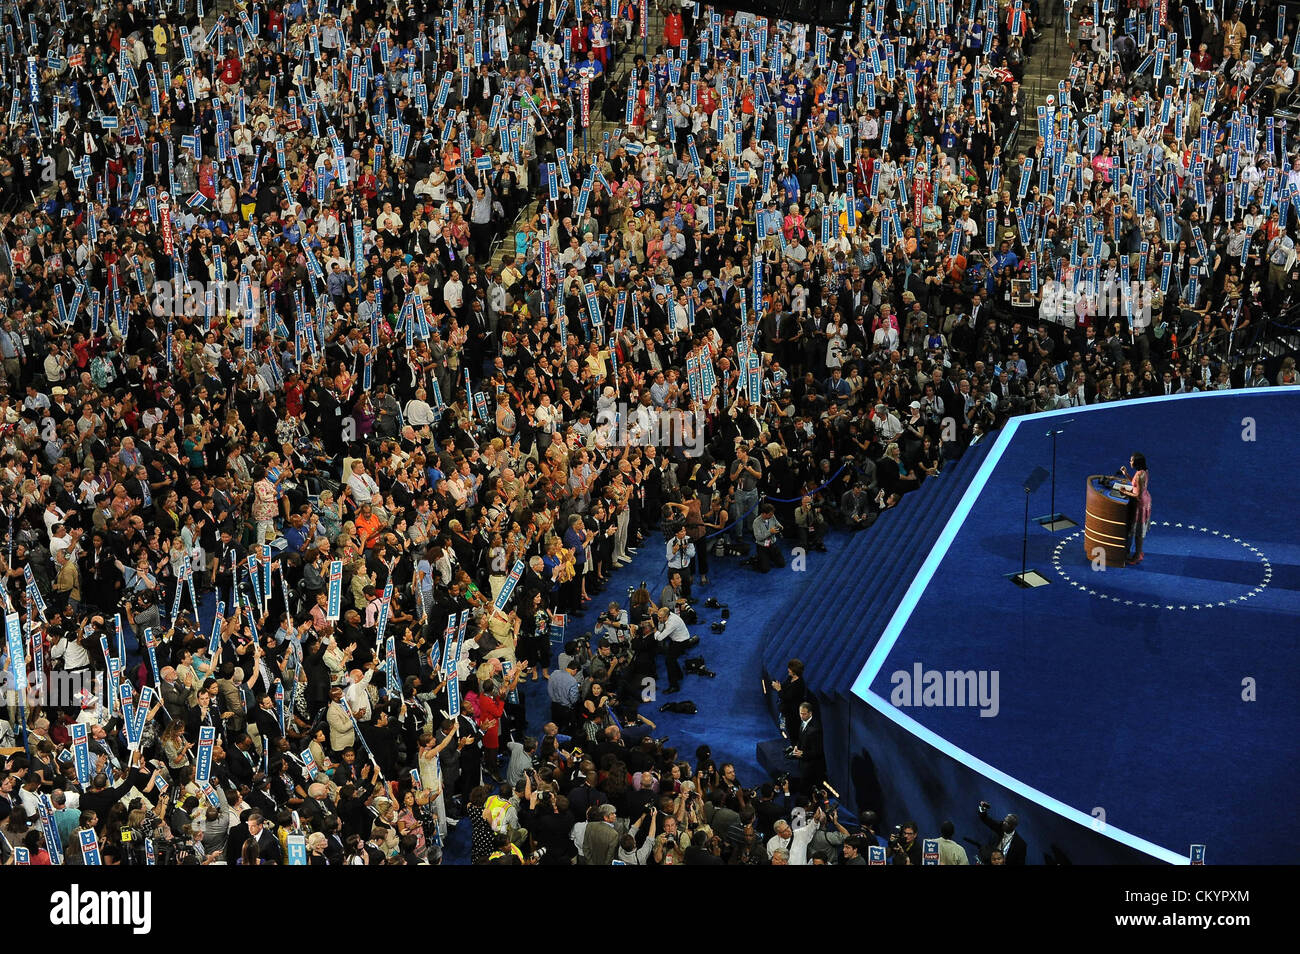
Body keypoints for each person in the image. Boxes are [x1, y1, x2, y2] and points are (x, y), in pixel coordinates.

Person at [1118, 453, 1152, 565]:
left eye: (1131, 461)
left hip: (1140, 504)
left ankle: (1137, 556)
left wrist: (1125, 492)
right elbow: (1135, 484)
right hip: (1145, 500)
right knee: (1139, 531)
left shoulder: (1139, 475)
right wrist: (1126, 474)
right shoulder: (1143, 472)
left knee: (1138, 532)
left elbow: (1138, 495)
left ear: (1137, 462)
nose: (1130, 462)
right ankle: (1139, 552)